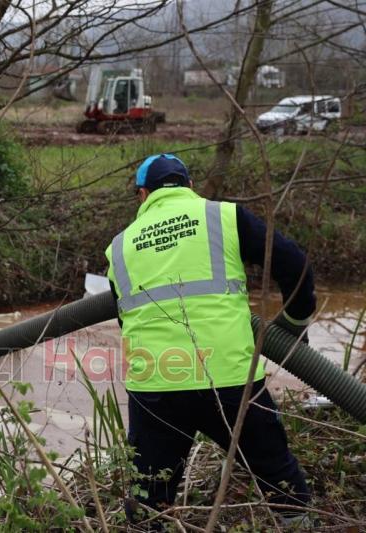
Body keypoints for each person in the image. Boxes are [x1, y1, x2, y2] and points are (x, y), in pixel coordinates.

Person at [104, 154, 313, 525]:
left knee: (149, 500)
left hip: (156, 384)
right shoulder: (225, 217)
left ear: (142, 194)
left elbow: (125, 319)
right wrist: (294, 324)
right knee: (282, 485)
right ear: (188, 185)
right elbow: (294, 264)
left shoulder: (120, 245)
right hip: (229, 379)